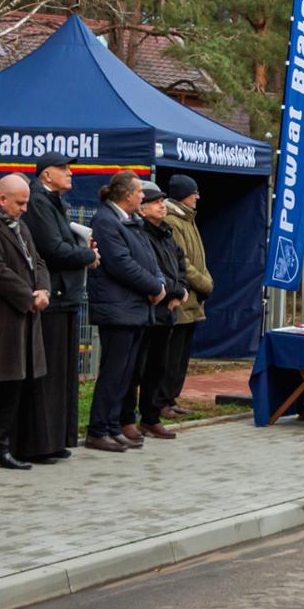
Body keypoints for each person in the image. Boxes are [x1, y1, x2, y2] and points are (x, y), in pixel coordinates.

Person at [0, 174, 50, 474]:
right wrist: (28, 297)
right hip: (0, 321)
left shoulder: (20, 225)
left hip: (24, 321)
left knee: (12, 389)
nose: (25, 209)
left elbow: (38, 261)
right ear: (2, 199)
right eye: (20, 203)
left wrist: (43, 290)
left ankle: (0, 448)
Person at [17, 152, 97, 462]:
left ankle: (56, 438)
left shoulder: (55, 202)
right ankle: (39, 441)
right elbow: (51, 248)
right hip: (52, 296)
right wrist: (87, 257)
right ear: (46, 175)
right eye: (63, 169)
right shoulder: (38, 202)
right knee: (46, 375)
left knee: (63, 373)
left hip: (65, 296)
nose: (70, 174)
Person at [84, 171, 167, 453]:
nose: (143, 196)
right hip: (117, 307)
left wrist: (159, 281)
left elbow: (148, 257)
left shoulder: (133, 222)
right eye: (140, 192)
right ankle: (98, 429)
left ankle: (112, 425)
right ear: (128, 195)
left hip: (135, 308)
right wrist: (154, 285)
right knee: (114, 371)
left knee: (126, 373)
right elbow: (121, 263)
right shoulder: (106, 221)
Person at [125, 181, 189, 442]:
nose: (162, 206)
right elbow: (151, 271)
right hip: (150, 310)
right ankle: (128, 418)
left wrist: (182, 289)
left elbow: (180, 264)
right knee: (136, 369)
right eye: (155, 202)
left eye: (163, 201)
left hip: (169, 312)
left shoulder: (167, 232)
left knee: (157, 369)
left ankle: (151, 417)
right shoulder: (141, 235)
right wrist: (173, 292)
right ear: (141, 209)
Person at [158, 174, 211, 420]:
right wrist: (203, 283)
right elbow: (183, 262)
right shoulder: (173, 221)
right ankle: (162, 401)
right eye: (194, 193)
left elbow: (199, 258)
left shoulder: (188, 220)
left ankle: (172, 398)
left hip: (193, 301)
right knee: (170, 355)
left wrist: (206, 280)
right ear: (183, 195)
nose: (198, 197)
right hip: (182, 299)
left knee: (181, 356)